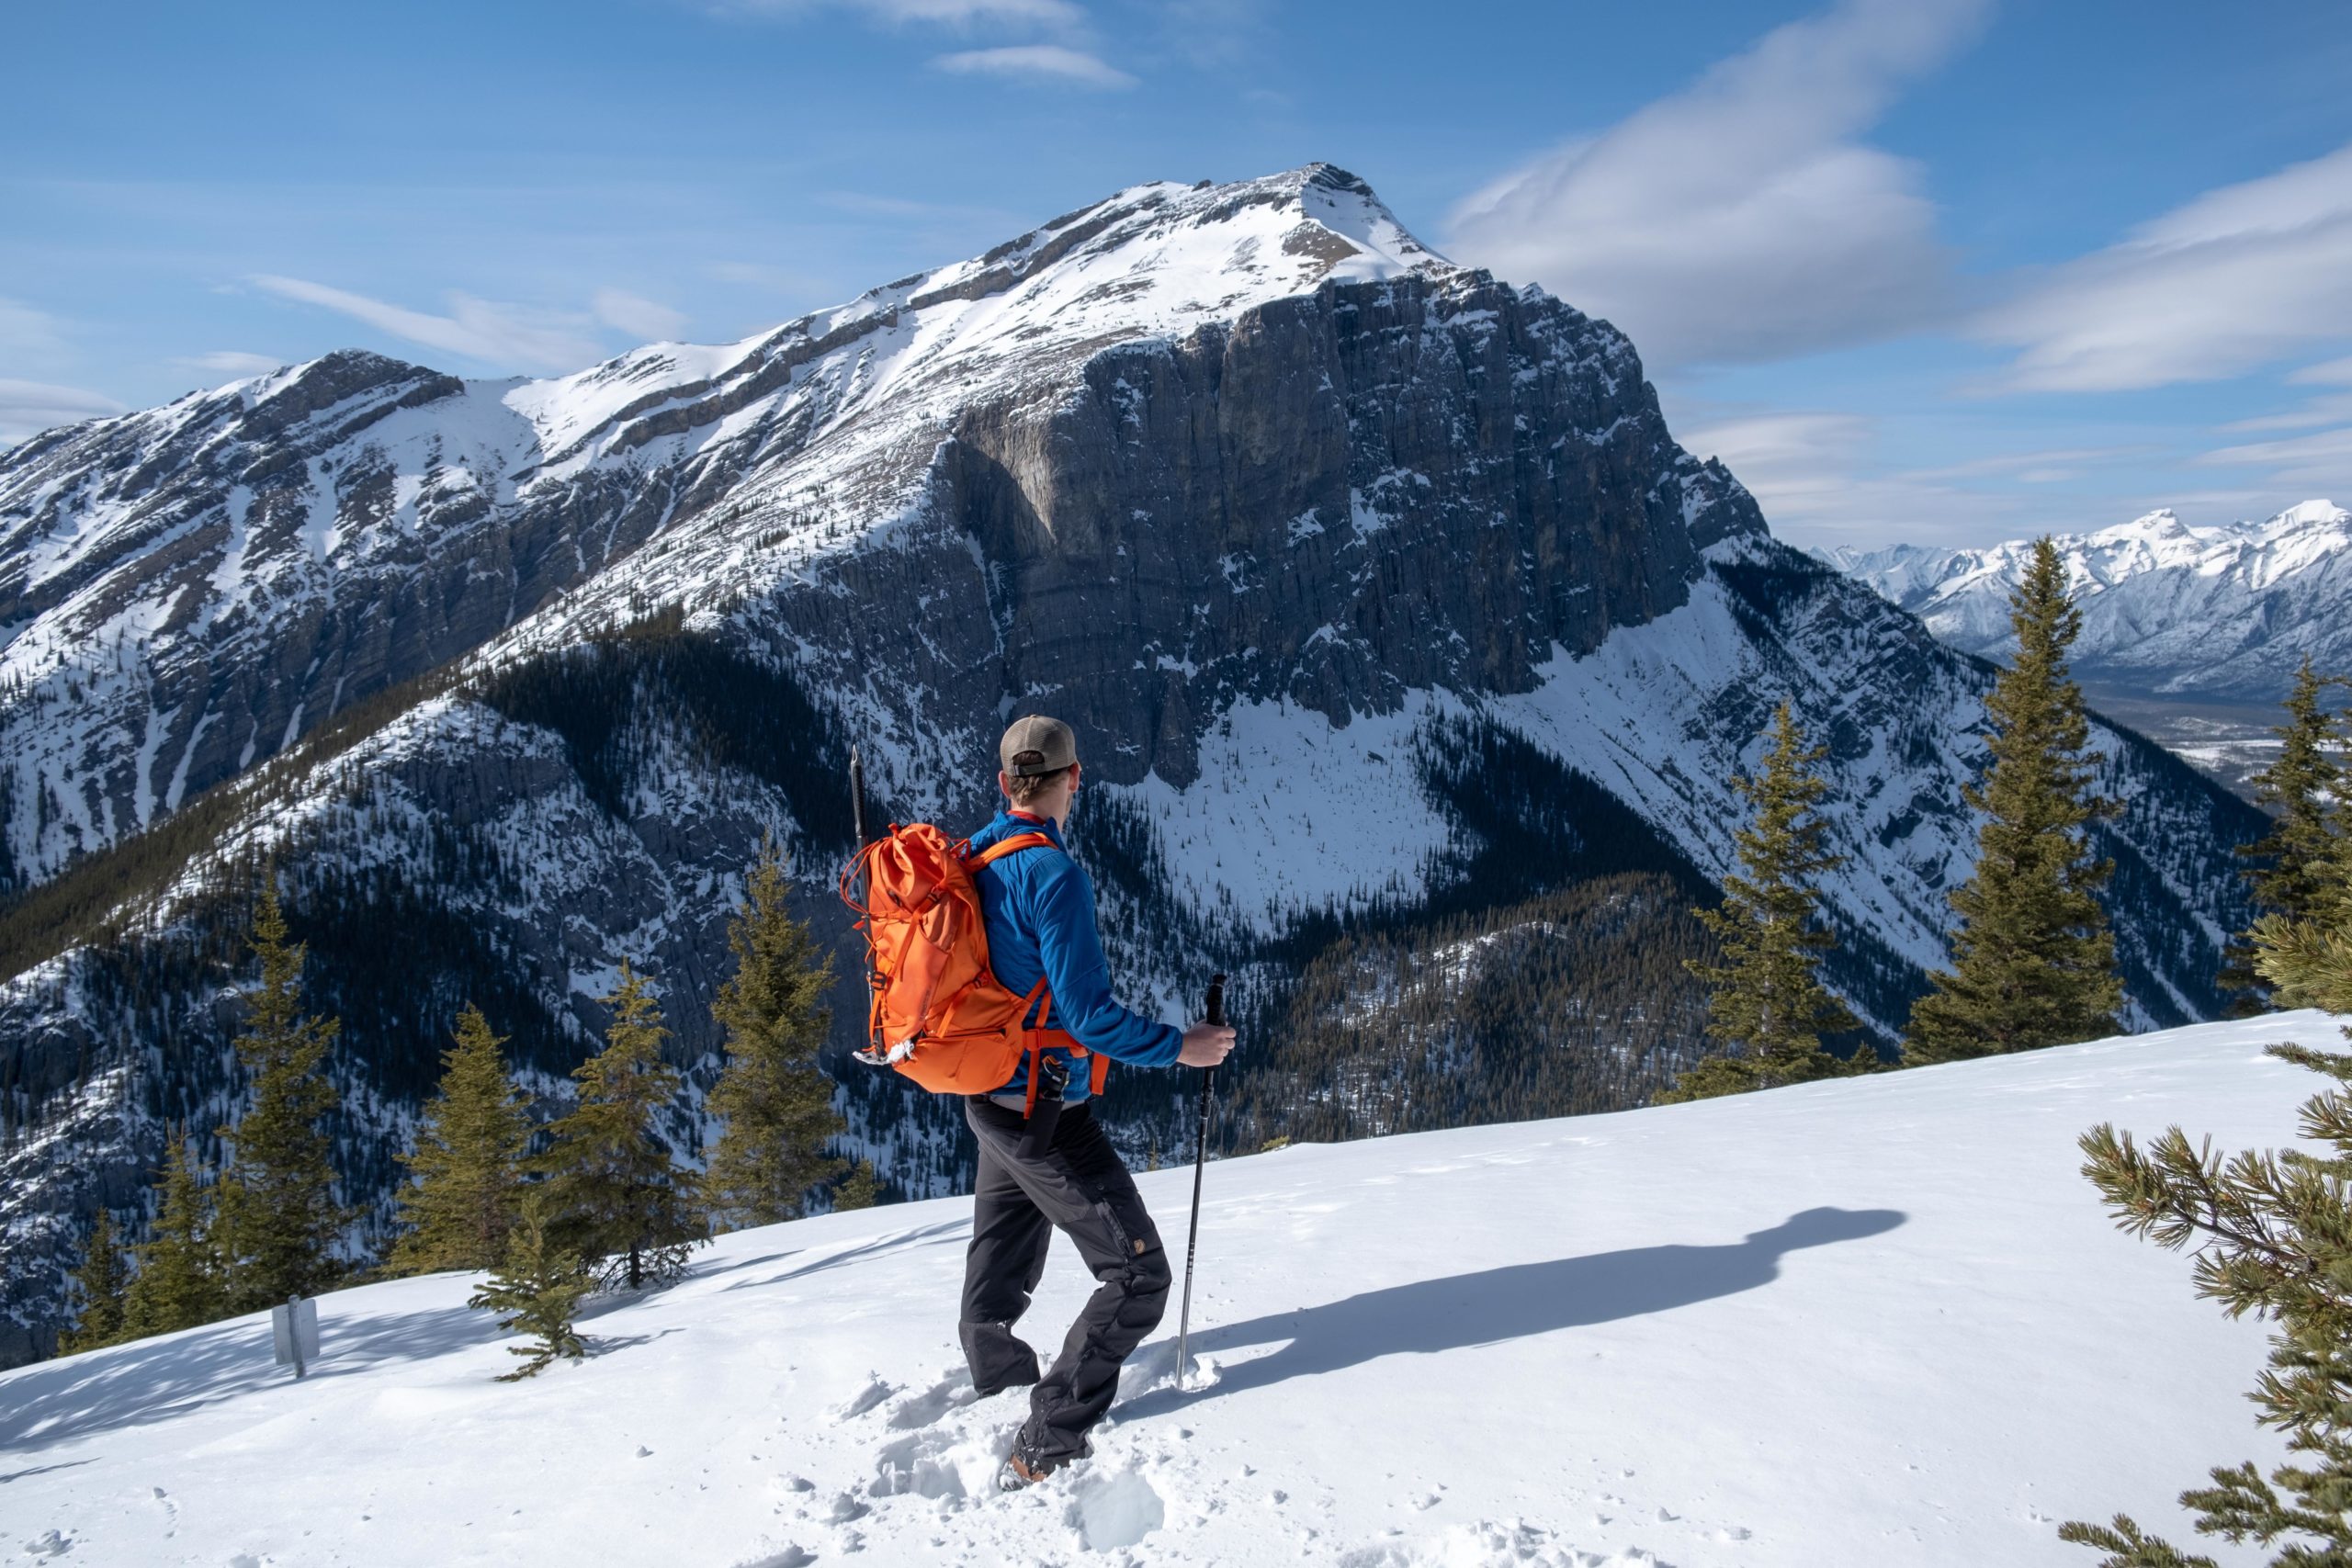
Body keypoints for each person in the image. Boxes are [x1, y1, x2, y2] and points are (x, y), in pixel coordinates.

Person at [961, 714, 1236, 1487]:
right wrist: (1183, 1046)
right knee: (1138, 1274)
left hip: (988, 1093)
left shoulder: (976, 852)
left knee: (1003, 1242)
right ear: (1073, 779)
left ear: (1003, 782)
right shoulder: (1053, 874)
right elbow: (1085, 1015)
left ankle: (995, 1376)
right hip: (1044, 1112)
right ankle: (1046, 1437)